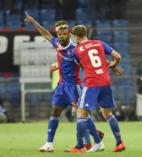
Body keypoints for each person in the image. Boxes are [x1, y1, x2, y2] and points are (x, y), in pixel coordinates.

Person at [24, 14, 104, 152]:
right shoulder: (56, 43)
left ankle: (96, 142)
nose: (61, 35)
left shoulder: (75, 49)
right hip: (61, 86)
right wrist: (33, 22)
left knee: (81, 114)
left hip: (74, 86)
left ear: (69, 33)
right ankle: (49, 143)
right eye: (59, 33)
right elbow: (45, 33)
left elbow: (88, 64)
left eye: (64, 33)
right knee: (55, 111)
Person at [67, 25, 125, 153]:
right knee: (107, 113)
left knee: (81, 113)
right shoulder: (99, 43)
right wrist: (113, 65)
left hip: (92, 83)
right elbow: (118, 56)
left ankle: (80, 146)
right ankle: (119, 143)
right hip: (105, 81)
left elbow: (82, 65)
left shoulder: (77, 50)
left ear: (76, 36)